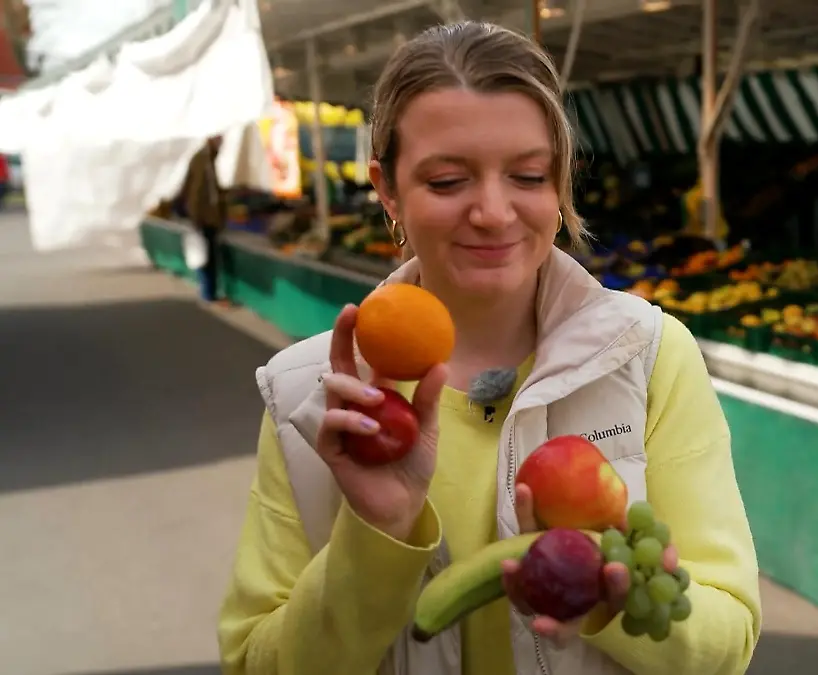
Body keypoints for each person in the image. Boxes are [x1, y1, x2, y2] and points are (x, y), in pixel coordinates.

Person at [217, 21, 761, 675]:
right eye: (448, 182)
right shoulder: (310, 395)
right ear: (387, 188)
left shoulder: (647, 356)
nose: (495, 211)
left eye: (528, 176)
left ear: (560, 182)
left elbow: (729, 636)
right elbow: (254, 662)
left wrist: (612, 602)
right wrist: (375, 534)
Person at [182, 135, 225, 301]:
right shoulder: (203, 161)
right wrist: (196, 216)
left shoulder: (209, 159)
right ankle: (209, 293)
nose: (222, 141)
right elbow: (197, 192)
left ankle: (209, 291)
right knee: (207, 257)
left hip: (207, 216)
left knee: (207, 255)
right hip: (205, 217)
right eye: (219, 138)